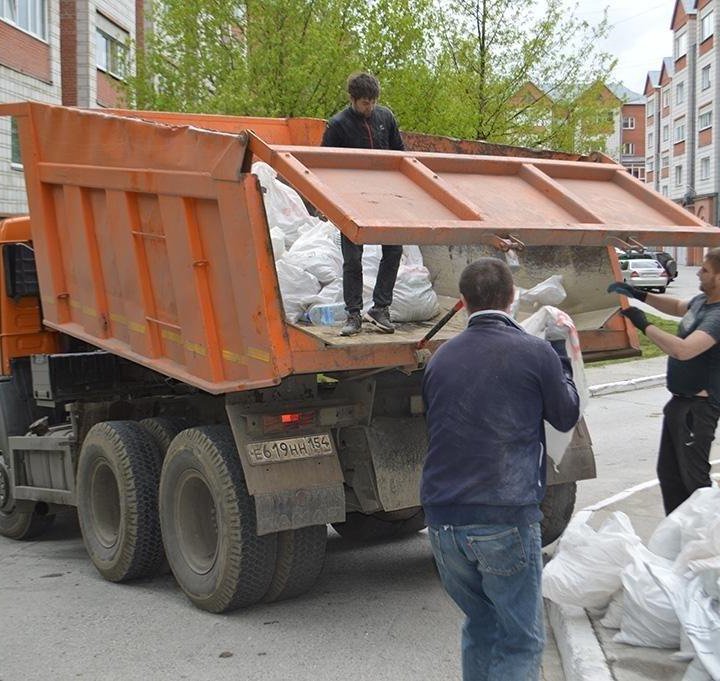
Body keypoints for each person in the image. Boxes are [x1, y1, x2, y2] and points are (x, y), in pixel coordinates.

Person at [421, 258, 580, 681]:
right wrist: (561, 355)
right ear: (512, 298)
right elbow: (565, 416)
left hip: (443, 522)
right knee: (520, 640)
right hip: (504, 515)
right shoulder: (536, 351)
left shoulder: (439, 358)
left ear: (462, 303)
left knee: (481, 624)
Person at [608, 248, 720, 515]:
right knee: (670, 475)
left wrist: (644, 325)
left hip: (698, 409)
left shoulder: (718, 317)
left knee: (694, 481)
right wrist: (639, 294)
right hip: (679, 404)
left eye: (705, 270)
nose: (699, 275)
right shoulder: (701, 302)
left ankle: (706, 546)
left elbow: (684, 350)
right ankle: (678, 538)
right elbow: (676, 306)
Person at [322, 72, 405, 336]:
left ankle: (380, 307)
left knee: (393, 251)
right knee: (353, 259)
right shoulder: (337, 125)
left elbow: (400, 155)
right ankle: (353, 314)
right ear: (353, 99)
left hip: (386, 197)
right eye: (364, 103)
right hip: (352, 201)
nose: (369, 108)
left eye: (373, 102)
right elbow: (324, 166)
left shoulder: (386, 118)